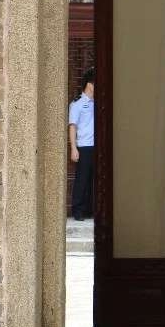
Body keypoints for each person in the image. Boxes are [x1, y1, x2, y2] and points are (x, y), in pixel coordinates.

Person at [68, 68, 96, 221]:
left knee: (93, 180)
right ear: (89, 84)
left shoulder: (96, 103)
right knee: (82, 179)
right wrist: (74, 148)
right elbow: (73, 126)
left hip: (96, 147)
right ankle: (77, 210)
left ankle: (89, 210)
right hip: (84, 146)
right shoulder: (77, 103)